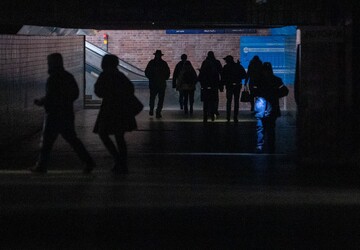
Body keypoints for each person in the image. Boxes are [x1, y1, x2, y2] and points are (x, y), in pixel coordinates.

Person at [30, 53, 95, 174]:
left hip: (53, 114)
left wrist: (41, 102)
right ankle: (88, 161)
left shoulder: (53, 78)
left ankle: (41, 166)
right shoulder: (68, 76)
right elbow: (75, 93)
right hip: (66, 113)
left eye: (49, 62)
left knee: (46, 142)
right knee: (72, 139)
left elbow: (50, 96)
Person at [93, 54, 138, 174]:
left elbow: (98, 91)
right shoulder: (120, 75)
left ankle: (118, 159)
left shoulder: (105, 75)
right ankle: (122, 162)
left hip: (109, 109)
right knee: (120, 137)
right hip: (122, 110)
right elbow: (130, 89)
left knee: (103, 133)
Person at [253, 62, 288, 153]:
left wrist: (259, 95)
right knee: (271, 128)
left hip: (261, 106)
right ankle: (271, 146)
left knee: (260, 127)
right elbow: (285, 91)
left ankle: (260, 146)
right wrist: (275, 95)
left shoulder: (258, 80)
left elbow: (254, 91)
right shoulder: (276, 80)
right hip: (272, 106)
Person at [145, 50, 170, 118]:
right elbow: (167, 72)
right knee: (160, 98)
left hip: (153, 83)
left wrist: (151, 78)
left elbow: (147, 72)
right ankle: (158, 112)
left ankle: (152, 109)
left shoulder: (151, 63)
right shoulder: (164, 63)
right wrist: (164, 78)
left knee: (152, 97)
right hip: (161, 83)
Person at [198, 51, 222, 122]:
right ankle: (213, 111)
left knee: (206, 100)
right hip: (214, 84)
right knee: (214, 99)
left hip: (206, 84)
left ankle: (206, 113)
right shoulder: (217, 62)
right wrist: (221, 84)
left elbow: (202, 73)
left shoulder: (205, 62)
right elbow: (221, 72)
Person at [221, 55, 246, 123]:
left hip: (229, 86)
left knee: (229, 101)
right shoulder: (238, 66)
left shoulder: (226, 67)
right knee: (236, 101)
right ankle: (235, 116)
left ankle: (228, 116)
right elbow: (244, 75)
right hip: (237, 85)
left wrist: (222, 85)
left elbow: (223, 77)